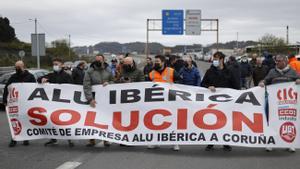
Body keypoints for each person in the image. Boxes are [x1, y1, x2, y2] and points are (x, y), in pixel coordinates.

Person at [259, 55, 300, 152]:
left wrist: (298, 80)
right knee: (273, 122)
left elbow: (298, 78)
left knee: (289, 122)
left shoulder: (292, 71)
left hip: (289, 103)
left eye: (279, 61)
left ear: (285, 61)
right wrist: (262, 82)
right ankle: (271, 142)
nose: (277, 62)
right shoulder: (272, 71)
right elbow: (266, 80)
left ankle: (290, 143)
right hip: (275, 102)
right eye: (276, 61)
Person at [201, 52, 240, 152]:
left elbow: (236, 86)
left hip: (226, 102)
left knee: (225, 122)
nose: (214, 61)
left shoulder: (229, 71)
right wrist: (208, 86)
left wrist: (236, 97)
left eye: (216, 59)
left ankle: (226, 142)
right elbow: (202, 84)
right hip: (212, 101)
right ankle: (211, 142)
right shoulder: (209, 71)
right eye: (214, 59)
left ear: (222, 59)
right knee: (212, 121)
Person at [148, 55, 182, 151]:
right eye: (155, 61)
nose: (156, 63)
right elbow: (145, 86)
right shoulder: (152, 73)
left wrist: (173, 85)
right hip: (156, 100)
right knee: (156, 121)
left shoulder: (171, 71)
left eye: (158, 61)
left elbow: (180, 81)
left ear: (163, 62)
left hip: (170, 100)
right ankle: (156, 142)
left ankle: (174, 143)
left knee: (171, 121)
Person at [40, 58, 75, 147]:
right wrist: (42, 79)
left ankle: (69, 139)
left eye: (56, 64)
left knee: (65, 120)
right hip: (53, 103)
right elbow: (39, 79)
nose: (55, 66)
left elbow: (72, 87)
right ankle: (53, 139)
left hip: (64, 102)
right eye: (54, 64)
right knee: (53, 120)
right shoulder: (51, 75)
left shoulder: (67, 76)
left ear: (61, 65)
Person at [3, 60, 36, 147]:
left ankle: (26, 138)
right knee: (15, 121)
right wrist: (5, 100)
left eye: (18, 67)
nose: (17, 69)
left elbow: (35, 89)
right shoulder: (13, 77)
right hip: (16, 103)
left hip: (26, 103)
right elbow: (7, 88)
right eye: (16, 67)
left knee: (25, 120)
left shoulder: (30, 77)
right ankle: (14, 139)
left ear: (23, 66)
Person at [83, 54, 113, 147]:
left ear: (103, 60)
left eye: (100, 60)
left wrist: (109, 83)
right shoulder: (90, 71)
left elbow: (114, 80)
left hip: (106, 98)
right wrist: (90, 99)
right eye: (96, 60)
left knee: (105, 118)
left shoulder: (108, 69)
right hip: (94, 98)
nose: (98, 61)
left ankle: (106, 139)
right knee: (92, 119)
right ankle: (91, 139)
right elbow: (86, 85)